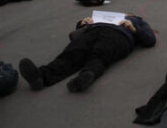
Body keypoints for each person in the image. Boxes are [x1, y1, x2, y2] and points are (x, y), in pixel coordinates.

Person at [19, 12, 155, 92]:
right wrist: (83, 22)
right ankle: (41, 77)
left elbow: (150, 40)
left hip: (119, 35)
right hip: (93, 30)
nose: (127, 13)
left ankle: (84, 78)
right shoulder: (105, 15)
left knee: (100, 55)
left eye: (130, 14)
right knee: (73, 52)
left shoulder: (138, 22)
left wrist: (133, 29)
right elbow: (80, 28)